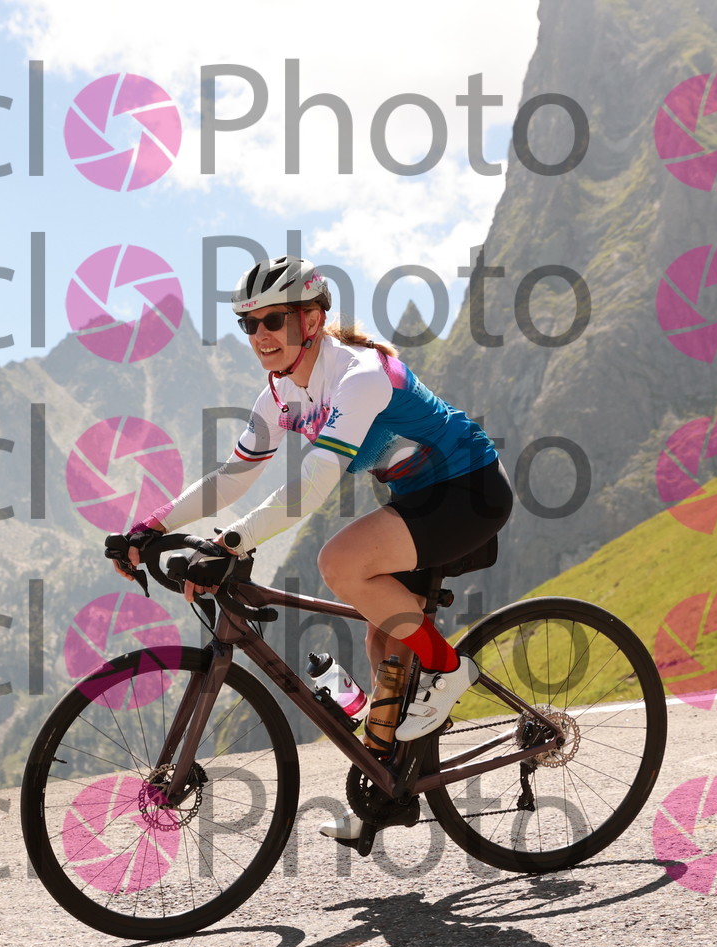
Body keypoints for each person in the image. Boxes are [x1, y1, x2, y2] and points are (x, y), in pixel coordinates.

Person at [112, 255, 513, 839]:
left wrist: (231, 541)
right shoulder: (280, 393)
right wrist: (148, 526)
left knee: (340, 563)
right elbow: (234, 475)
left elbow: (318, 480)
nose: (260, 334)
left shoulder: (359, 375)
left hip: (468, 491)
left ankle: (450, 669)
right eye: (249, 323)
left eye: (273, 319)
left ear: (312, 320)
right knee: (385, 641)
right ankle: (389, 791)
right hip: (418, 498)